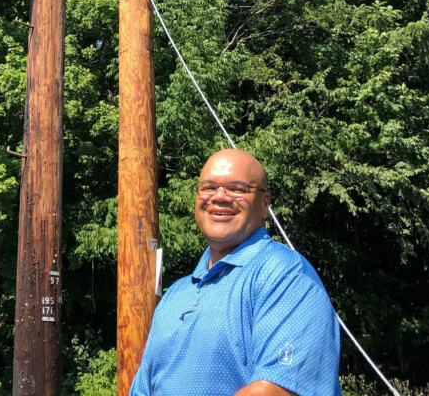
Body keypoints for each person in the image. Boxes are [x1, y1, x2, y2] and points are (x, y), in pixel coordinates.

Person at [129, 148, 341, 396]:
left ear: (264, 205)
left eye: (237, 189)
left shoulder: (285, 275)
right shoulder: (175, 295)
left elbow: (277, 390)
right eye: (208, 188)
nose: (220, 197)